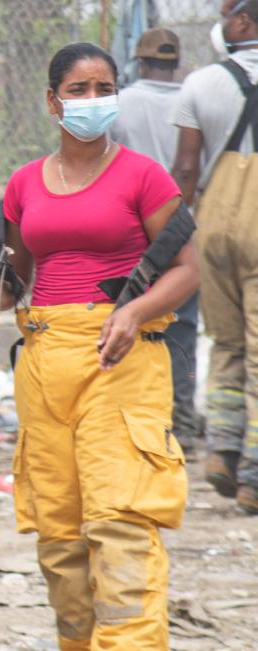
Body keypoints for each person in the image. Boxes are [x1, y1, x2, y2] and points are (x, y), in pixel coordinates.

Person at [0, 42, 200, 651]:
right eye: (78, 87)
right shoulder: (24, 184)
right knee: (60, 532)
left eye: (104, 86)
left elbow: (186, 269)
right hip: (45, 361)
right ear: (52, 100)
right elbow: (18, 269)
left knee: (120, 521)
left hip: (119, 359)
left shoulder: (143, 177)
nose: (92, 97)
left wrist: (134, 310)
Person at [174, 0, 258, 514]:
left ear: (245, 23)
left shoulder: (200, 82)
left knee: (224, 339)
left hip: (213, 220)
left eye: (226, 14)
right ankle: (254, 474)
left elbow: (184, 169)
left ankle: (222, 451)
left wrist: (176, 234)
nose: (220, 22)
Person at [111, 28, 203, 448]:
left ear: (140, 62)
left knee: (129, 315)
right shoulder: (193, 99)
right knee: (181, 323)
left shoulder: (121, 102)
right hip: (181, 226)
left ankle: (130, 412)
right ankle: (181, 418)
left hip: (130, 230)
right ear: (175, 62)